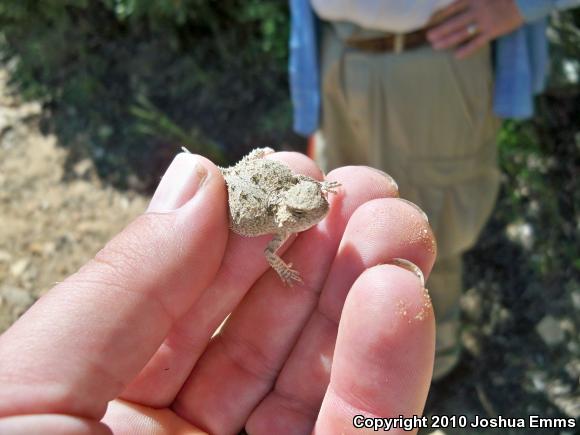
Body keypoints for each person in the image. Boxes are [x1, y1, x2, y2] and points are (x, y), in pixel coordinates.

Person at [0, 151, 436, 434]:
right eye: (307, 212)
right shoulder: (279, 223)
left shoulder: (298, 199)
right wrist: (284, 268)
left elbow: (307, 194)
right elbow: (269, 252)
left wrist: (320, 191)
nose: (316, 213)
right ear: (290, 213)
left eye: (316, 203)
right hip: (243, 196)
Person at [289, 0, 580, 380]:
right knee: (343, 218)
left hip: (436, 57)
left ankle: (426, 373)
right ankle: (362, 363)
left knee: (426, 229)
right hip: (336, 52)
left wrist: (522, 5)